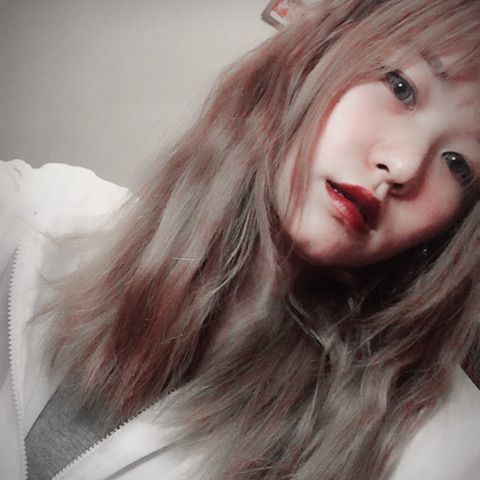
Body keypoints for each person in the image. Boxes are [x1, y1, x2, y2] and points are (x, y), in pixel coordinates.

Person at [1, 0, 479, 479]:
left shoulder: (440, 447)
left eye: (458, 165)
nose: (403, 165)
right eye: (401, 87)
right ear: (313, 55)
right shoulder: (38, 218)